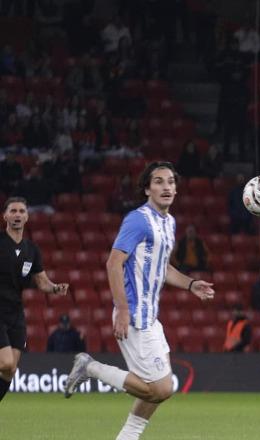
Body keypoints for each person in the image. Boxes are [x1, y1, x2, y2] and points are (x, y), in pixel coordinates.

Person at [64, 162, 215, 440]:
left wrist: (191, 284)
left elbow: (163, 268)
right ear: (147, 189)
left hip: (150, 317)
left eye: (171, 181)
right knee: (161, 389)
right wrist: (122, 309)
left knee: (158, 391)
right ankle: (91, 368)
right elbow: (113, 263)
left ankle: (128, 437)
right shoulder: (138, 219)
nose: (166, 186)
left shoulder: (169, 222)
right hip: (133, 315)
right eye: (158, 181)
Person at [0, 197, 69, 402]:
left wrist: (55, 288)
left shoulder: (32, 250)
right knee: (5, 363)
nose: (17, 215)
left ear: (27, 217)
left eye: (21, 211)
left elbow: (42, 281)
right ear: (5, 216)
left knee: (9, 371)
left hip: (16, 315)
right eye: (13, 211)